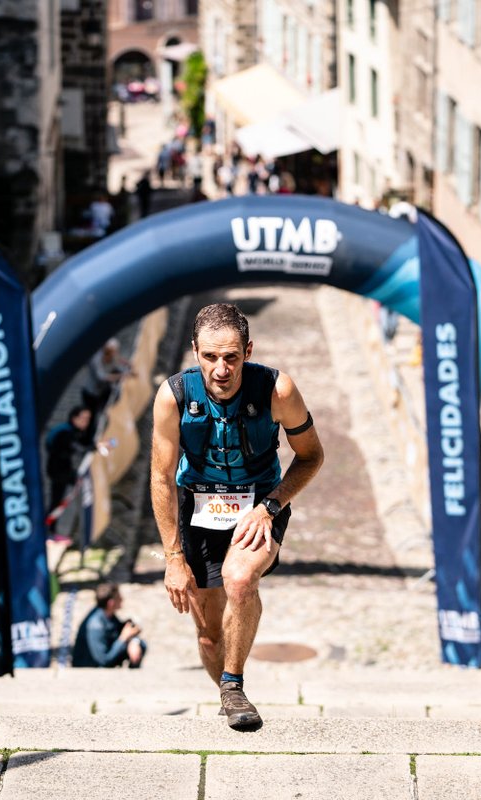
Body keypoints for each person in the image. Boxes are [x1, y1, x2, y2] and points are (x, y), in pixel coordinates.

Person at [150, 303, 324, 730]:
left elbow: (311, 457)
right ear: (195, 351)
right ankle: (227, 694)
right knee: (209, 635)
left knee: (241, 577)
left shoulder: (277, 390)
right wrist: (173, 558)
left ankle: (233, 683)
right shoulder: (174, 397)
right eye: (210, 357)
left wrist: (271, 506)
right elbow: (161, 477)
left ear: (248, 350)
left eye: (231, 356)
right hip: (198, 506)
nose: (221, 368)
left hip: (260, 502)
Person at [44, 406, 94, 538]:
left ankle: (50, 530)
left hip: (62, 470)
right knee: (56, 501)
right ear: (74, 418)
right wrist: (92, 449)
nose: (86, 422)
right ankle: (49, 531)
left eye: (88, 419)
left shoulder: (72, 431)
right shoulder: (66, 433)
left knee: (57, 500)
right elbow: (75, 447)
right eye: (83, 418)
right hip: (58, 471)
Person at [72, 582, 147, 668]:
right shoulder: (96, 625)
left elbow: (122, 629)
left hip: (104, 659)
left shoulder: (109, 615)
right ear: (111, 603)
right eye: (119, 597)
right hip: (90, 667)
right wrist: (123, 638)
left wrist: (133, 641)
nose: (122, 599)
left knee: (141, 645)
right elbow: (103, 660)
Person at [80, 338, 133, 419]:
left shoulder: (112, 357)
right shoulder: (96, 359)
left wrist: (127, 365)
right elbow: (102, 377)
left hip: (100, 391)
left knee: (100, 411)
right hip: (90, 392)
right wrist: (122, 375)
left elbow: (118, 362)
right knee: (90, 415)